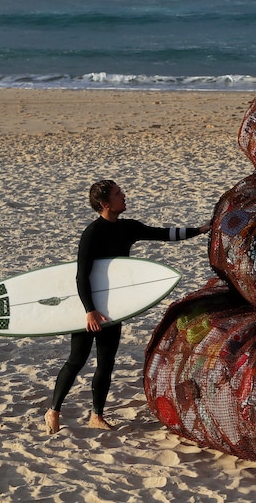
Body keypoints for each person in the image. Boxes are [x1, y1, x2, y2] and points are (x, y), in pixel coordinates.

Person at [44, 179, 210, 434]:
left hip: (113, 306)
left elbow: (163, 234)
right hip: (88, 307)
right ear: (104, 203)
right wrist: (89, 310)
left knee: (106, 362)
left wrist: (199, 230)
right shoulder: (92, 233)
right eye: (118, 194)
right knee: (76, 360)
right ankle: (54, 410)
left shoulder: (128, 228)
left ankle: (96, 415)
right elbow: (81, 276)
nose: (124, 196)